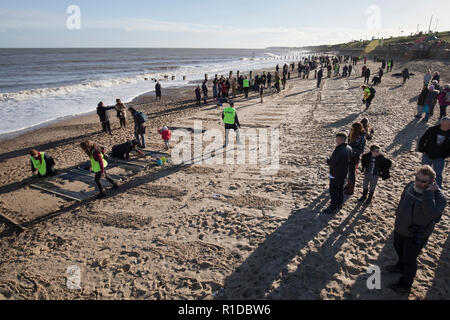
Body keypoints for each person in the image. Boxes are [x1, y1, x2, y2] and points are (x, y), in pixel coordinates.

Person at [386, 165, 446, 294]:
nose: (418, 182)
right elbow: (402, 199)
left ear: (432, 182)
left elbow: (433, 214)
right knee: (398, 248)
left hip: (416, 235)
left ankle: (405, 285)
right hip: (400, 228)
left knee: (410, 259)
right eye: (417, 178)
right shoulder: (410, 185)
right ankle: (400, 266)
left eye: (423, 181)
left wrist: (429, 193)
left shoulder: (439, 197)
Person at [323, 133, 353, 215]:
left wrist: (328, 159)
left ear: (340, 139)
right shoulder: (349, 148)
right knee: (340, 189)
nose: (336, 140)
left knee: (333, 191)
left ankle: (333, 208)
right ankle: (339, 204)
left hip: (335, 173)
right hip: (344, 173)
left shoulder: (340, 150)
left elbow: (332, 163)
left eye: (337, 139)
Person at [418, 117, 450, 188]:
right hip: (427, 154)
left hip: (440, 157)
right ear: (442, 123)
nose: (449, 126)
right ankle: (421, 186)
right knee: (423, 172)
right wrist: (422, 150)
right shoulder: (432, 129)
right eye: (448, 124)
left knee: (438, 174)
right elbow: (422, 139)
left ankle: (437, 190)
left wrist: (445, 156)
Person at [344, 122, 366, 196]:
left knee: (352, 173)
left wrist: (352, 150)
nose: (351, 129)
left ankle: (351, 189)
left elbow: (361, 149)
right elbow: (348, 143)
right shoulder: (351, 134)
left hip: (354, 157)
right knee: (348, 172)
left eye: (352, 128)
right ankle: (348, 184)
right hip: (348, 155)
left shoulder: (362, 137)